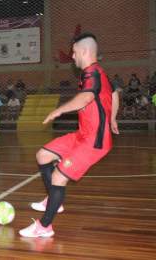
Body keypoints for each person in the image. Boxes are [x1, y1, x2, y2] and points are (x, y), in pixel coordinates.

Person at [19, 33, 119, 237]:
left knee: (57, 177)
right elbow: (115, 92)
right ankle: (55, 201)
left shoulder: (93, 73)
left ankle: (44, 226)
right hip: (83, 134)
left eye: (74, 52)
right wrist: (112, 118)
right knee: (43, 155)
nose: (72, 57)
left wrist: (59, 110)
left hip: (94, 141)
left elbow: (85, 98)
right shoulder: (97, 72)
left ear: (84, 51)